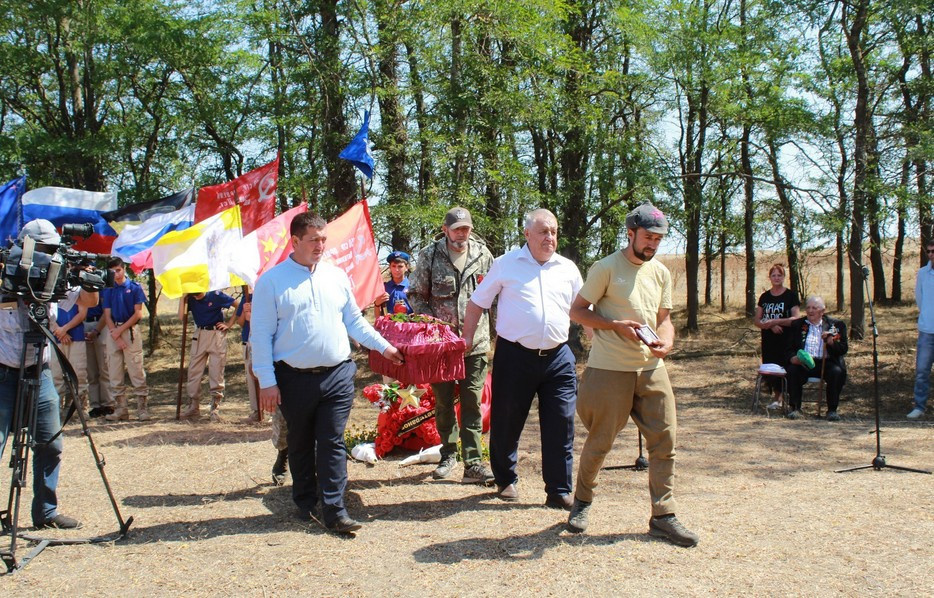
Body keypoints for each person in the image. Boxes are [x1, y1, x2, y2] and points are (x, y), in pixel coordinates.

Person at [251, 212, 404, 534]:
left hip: (337, 374)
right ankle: (305, 502)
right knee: (301, 441)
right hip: (292, 377)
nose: (321, 245)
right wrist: (267, 382)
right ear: (294, 241)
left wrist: (384, 347)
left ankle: (335, 510)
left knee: (333, 441)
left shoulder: (336, 276)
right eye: (313, 240)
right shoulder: (271, 282)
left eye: (323, 239)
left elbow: (354, 321)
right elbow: (261, 336)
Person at [566, 202, 699, 548]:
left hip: (651, 369)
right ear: (630, 233)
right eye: (648, 237)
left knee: (665, 438)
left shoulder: (661, 273)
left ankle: (663, 515)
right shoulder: (606, 268)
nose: (653, 244)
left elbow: (664, 319)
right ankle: (581, 502)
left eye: (658, 238)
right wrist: (613, 326)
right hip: (610, 369)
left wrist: (666, 342)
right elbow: (578, 311)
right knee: (601, 442)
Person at [461, 209, 582, 508]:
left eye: (553, 231)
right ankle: (505, 480)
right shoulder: (505, 265)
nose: (549, 237)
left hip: (559, 358)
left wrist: (601, 339)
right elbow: (477, 304)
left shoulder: (568, 269)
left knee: (561, 423)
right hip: (515, 356)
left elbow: (583, 311)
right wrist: (466, 341)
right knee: (506, 421)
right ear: (527, 234)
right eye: (543, 231)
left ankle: (558, 489)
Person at [0, 219, 98, 529]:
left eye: (51, 250)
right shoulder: (6, 274)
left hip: (39, 371)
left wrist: (88, 279)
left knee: (51, 442)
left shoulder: (56, 275)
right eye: (41, 250)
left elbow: (88, 301)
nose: (46, 256)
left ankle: (45, 511)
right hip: (3, 373)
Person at [409, 207, 495, 485]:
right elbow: (415, 295)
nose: (462, 233)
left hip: (476, 343)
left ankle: (473, 462)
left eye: (466, 228)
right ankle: (448, 455)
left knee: (472, 401)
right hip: (441, 347)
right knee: (444, 401)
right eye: (456, 228)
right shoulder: (430, 255)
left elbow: (496, 296)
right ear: (445, 229)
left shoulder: (484, 256)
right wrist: (434, 326)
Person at [785, 296, 848, 421]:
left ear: (822, 311)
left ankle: (832, 410)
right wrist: (793, 358)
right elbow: (788, 348)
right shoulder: (797, 325)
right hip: (804, 362)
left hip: (826, 362)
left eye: (814, 308)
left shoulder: (836, 326)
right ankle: (795, 408)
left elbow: (843, 349)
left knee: (837, 372)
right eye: (808, 307)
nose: (810, 311)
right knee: (793, 370)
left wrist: (831, 342)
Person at [102, 257, 149, 422]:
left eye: (118, 270)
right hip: (113, 330)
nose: (116, 274)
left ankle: (142, 409)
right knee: (114, 371)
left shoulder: (134, 287)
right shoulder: (108, 289)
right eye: (113, 271)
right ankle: (121, 408)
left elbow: (138, 313)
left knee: (136, 369)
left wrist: (120, 332)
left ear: (124, 269)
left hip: (129, 330)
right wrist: (114, 333)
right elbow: (106, 314)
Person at [179, 290, 237, 422]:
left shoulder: (216, 295)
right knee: (194, 371)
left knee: (216, 371)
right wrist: (183, 299)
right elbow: (181, 318)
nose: (196, 294)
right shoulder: (190, 298)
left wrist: (229, 324)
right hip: (200, 334)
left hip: (216, 334)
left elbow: (238, 306)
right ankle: (193, 406)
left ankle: (215, 407)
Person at [754, 264, 800, 409]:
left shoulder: (791, 296)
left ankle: (791, 400)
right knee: (772, 369)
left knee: (786, 367)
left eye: (779, 275)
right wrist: (771, 325)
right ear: (770, 278)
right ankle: (777, 399)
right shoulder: (765, 297)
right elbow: (757, 320)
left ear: (783, 277)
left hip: (786, 339)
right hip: (769, 340)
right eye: (773, 275)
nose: (776, 278)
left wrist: (777, 321)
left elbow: (796, 319)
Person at [50, 299, 89, 419]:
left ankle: (81, 408)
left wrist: (64, 329)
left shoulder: (78, 290)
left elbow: (82, 313)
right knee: (55, 375)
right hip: (54, 338)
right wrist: (58, 331)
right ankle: (56, 409)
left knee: (79, 373)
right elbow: (46, 313)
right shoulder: (50, 289)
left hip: (76, 336)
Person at [908, 241, 934, 420]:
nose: (931, 254)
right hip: (927, 330)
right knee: (922, 370)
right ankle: (919, 406)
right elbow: (920, 298)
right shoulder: (923, 273)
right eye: (929, 251)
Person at [84, 302, 114, 417]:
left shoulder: (103, 288)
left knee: (104, 367)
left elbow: (107, 311)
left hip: (101, 325)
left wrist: (97, 330)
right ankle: (95, 405)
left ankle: (108, 403)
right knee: (91, 371)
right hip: (85, 323)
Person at [374, 251, 413, 315]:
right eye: (393, 266)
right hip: (388, 324)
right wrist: (377, 304)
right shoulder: (384, 288)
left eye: (400, 266)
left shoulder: (413, 287)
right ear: (390, 267)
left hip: (409, 324)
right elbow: (378, 317)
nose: (396, 270)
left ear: (406, 267)